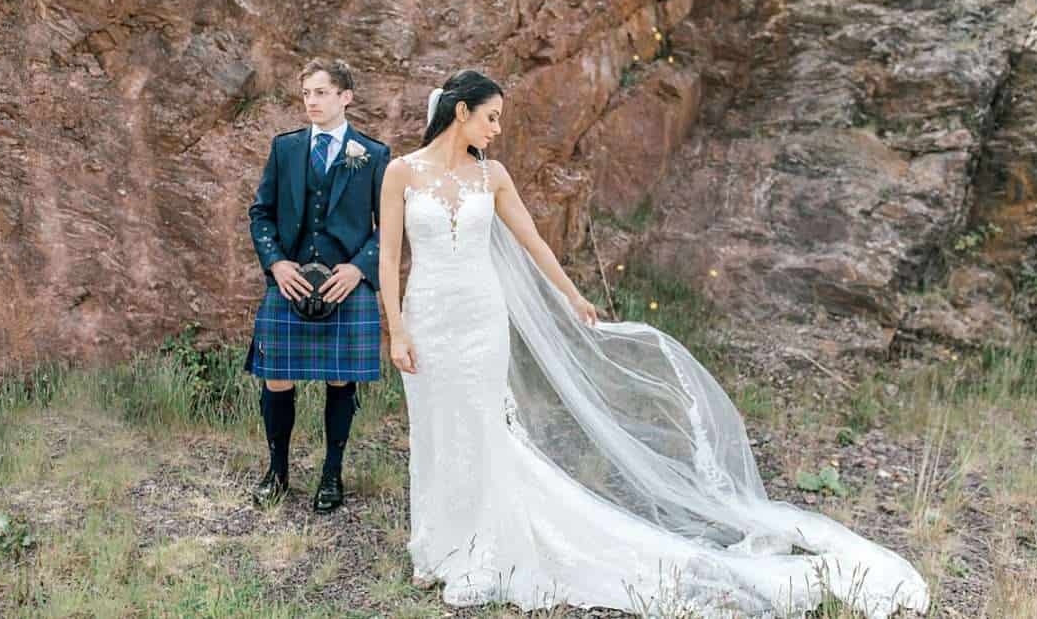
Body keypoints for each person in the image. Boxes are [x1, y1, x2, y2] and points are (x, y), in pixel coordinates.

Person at [377, 70, 930, 618]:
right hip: (428, 317)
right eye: (492, 117)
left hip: (481, 319)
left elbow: (533, 241)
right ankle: (440, 543)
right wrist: (397, 328)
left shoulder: (491, 176)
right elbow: (388, 259)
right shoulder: (401, 174)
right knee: (435, 426)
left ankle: (485, 551)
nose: (498, 129)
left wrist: (571, 295)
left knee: (484, 427)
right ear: (461, 112)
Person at [244, 58, 389, 513]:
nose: (311, 101)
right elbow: (261, 213)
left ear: (346, 96)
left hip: (345, 285)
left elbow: (390, 228)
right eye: (306, 92)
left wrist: (359, 269)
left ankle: (332, 474)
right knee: (277, 378)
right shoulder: (285, 149)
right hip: (289, 283)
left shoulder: (373, 154)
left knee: (340, 379)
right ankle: (278, 471)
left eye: (322, 92)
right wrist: (277, 263)